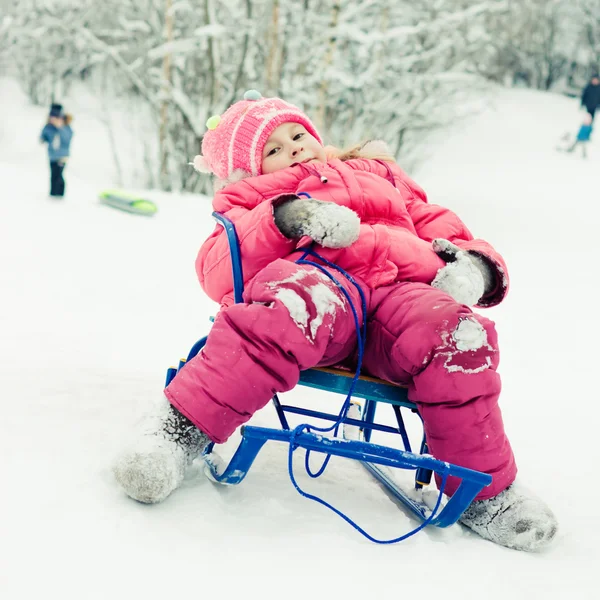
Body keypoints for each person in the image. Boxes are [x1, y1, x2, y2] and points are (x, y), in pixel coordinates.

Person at [113, 91, 558, 552]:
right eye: (273, 149)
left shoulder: (378, 173)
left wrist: (475, 265)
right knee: (290, 305)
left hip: (403, 295)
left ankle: (487, 495)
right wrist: (285, 217)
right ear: (250, 169)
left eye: (297, 134)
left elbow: (441, 225)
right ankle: (176, 432)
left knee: (460, 334)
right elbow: (218, 268)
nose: (293, 147)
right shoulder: (255, 198)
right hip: (325, 287)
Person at [40, 103, 73, 198]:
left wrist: (60, 127)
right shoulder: (48, 127)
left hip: (62, 155)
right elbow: (43, 136)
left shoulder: (66, 127)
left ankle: (59, 195)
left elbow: (67, 138)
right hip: (52, 155)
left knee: (58, 174)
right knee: (53, 174)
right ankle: (52, 194)